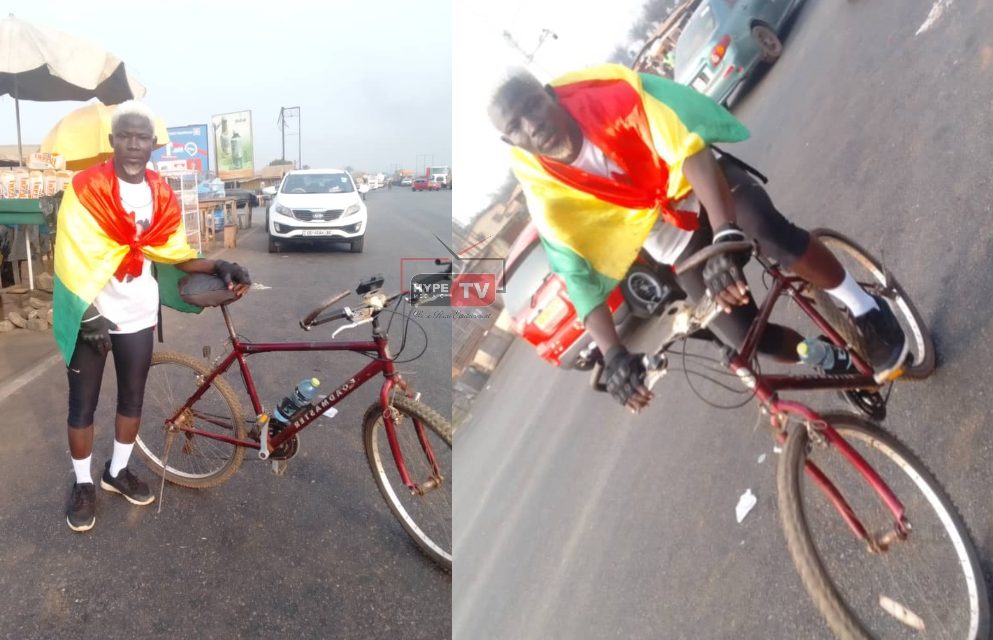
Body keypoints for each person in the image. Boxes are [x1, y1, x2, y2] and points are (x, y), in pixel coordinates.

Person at [488, 65, 907, 413]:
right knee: (746, 340)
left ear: (548, 94)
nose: (532, 124)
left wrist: (725, 233)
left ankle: (865, 307)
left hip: (706, 187)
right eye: (515, 125)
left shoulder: (614, 97)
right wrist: (613, 353)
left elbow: (689, 149)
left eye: (531, 105)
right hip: (675, 240)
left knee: (767, 232)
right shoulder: (545, 194)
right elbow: (575, 274)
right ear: (510, 142)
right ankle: (825, 357)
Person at [53, 101, 252, 532]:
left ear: (154, 144)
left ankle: (116, 471)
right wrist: (86, 314)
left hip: (138, 313)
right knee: (81, 405)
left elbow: (174, 253)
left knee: (132, 399)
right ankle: (83, 482)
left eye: (142, 137)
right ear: (112, 141)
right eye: (125, 135)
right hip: (92, 314)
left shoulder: (160, 192)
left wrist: (219, 266)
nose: (133, 144)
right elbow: (68, 255)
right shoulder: (85, 188)